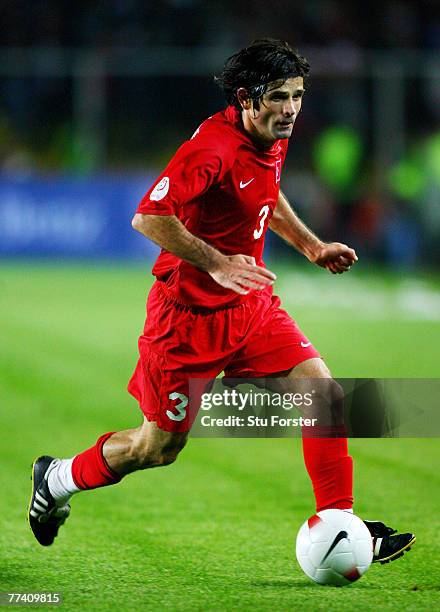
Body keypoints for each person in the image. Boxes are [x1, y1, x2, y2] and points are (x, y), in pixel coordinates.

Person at [28, 39, 415, 563]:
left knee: (322, 394)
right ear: (246, 98)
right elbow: (148, 216)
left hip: (249, 307)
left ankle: (341, 522)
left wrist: (311, 245)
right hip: (186, 321)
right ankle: (57, 478)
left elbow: (264, 191)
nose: (291, 109)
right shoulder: (211, 149)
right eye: (278, 97)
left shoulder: (267, 137)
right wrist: (215, 261)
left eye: (297, 95)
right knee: (157, 448)